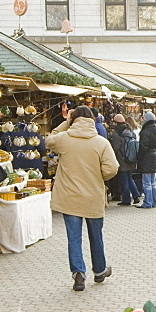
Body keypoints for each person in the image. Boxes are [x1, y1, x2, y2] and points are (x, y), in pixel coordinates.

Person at [46, 106, 119, 291]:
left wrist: (66, 122)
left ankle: (78, 274)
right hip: (93, 196)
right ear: (93, 120)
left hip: (69, 197)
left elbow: (49, 140)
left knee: (74, 238)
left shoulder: (64, 139)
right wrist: (98, 176)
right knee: (96, 236)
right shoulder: (101, 142)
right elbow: (112, 168)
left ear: (74, 120)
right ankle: (100, 270)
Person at [109, 114, 141, 206]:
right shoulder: (130, 131)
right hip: (131, 158)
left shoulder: (117, 134)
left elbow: (115, 147)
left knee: (124, 180)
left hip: (122, 159)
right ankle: (136, 196)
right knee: (130, 178)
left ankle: (126, 200)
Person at [137, 111, 156, 208]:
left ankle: (148, 202)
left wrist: (139, 156)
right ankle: (153, 201)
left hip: (147, 156)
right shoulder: (155, 130)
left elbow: (143, 146)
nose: (141, 120)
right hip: (154, 154)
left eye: (143, 118)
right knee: (152, 181)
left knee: (146, 182)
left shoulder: (145, 131)